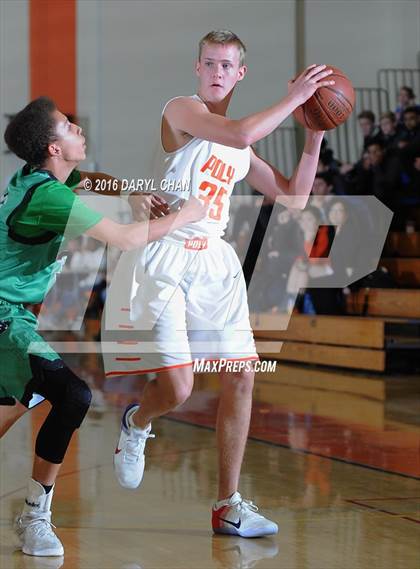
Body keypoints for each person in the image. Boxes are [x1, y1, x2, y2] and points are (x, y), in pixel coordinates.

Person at [106, 30, 333, 538]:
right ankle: (137, 423)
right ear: (196, 67)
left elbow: (293, 199)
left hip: (214, 261)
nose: (216, 72)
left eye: (226, 66)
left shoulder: (238, 143)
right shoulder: (182, 110)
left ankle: (227, 504)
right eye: (209, 62)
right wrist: (294, 97)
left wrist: (315, 133)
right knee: (179, 389)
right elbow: (241, 134)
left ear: (239, 73)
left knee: (242, 374)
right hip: (164, 255)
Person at [0, 97, 205, 558]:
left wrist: (131, 191)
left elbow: (93, 178)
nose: (78, 128)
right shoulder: (48, 195)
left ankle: (33, 513)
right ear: (54, 147)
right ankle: (36, 514)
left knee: (12, 406)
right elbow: (127, 238)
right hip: (3, 316)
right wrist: (186, 215)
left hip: (13, 315)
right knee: (73, 396)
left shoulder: (36, 176)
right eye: (69, 126)